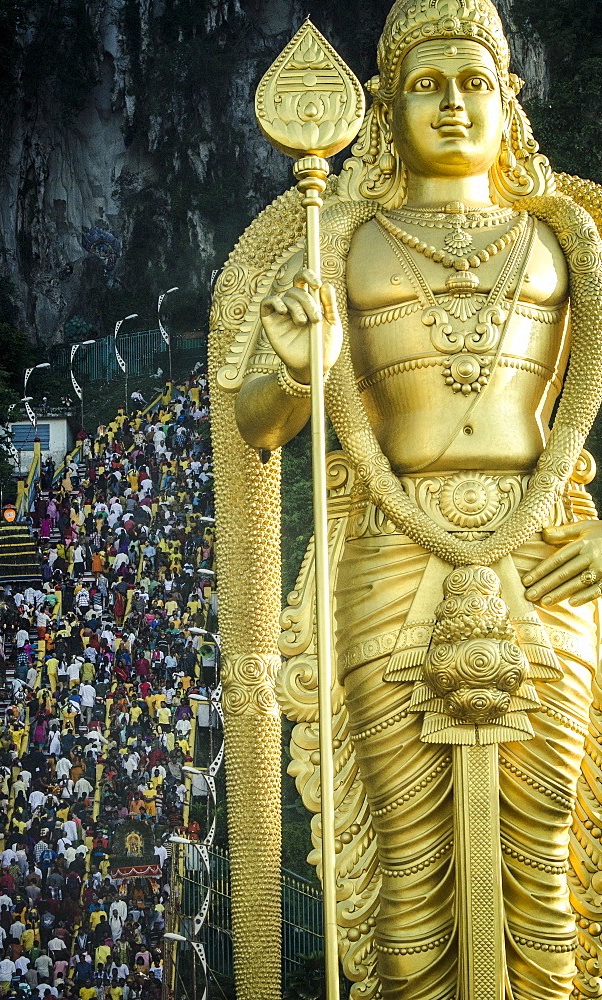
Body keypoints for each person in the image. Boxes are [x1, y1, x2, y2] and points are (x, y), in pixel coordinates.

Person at [213, 1, 602, 997]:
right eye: (428, 85)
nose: (455, 105)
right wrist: (300, 371)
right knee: (408, 869)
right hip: (389, 546)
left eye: (475, 81)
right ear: (385, 107)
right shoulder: (333, 237)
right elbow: (256, 423)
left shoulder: (566, 233)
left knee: (547, 857)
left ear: (509, 96)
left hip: (544, 545)